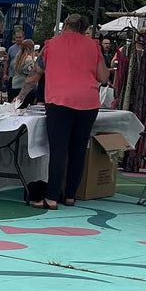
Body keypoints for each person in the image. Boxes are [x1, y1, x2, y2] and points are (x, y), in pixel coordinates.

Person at [25, 11, 111, 210]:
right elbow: (103, 77)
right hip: (88, 102)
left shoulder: (51, 45)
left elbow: (34, 76)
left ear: (65, 26)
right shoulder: (94, 46)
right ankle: (70, 195)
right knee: (78, 150)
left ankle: (52, 197)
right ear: (85, 29)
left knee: (58, 150)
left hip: (59, 101)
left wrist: (21, 95)